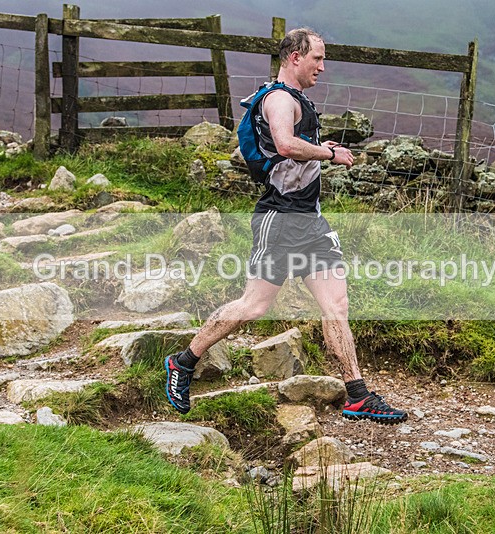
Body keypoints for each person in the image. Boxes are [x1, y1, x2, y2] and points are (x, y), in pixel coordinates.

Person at [165, 28, 408, 424]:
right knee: (254, 306)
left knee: (337, 305)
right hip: (279, 219)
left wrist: (321, 153)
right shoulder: (278, 99)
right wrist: (328, 151)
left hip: (309, 219)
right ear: (295, 57)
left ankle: (357, 395)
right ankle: (183, 362)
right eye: (317, 58)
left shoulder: (296, 98)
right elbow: (284, 144)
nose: (322, 67)